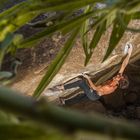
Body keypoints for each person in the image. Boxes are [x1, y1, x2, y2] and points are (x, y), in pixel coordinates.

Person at [52, 43, 133, 105]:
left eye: (119, 76)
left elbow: (94, 88)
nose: (117, 75)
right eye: (120, 75)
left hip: (94, 94)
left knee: (81, 82)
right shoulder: (117, 79)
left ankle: (61, 88)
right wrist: (129, 54)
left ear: (119, 81)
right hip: (94, 95)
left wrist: (87, 78)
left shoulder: (109, 87)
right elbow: (124, 65)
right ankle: (64, 102)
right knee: (80, 97)